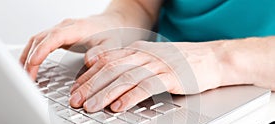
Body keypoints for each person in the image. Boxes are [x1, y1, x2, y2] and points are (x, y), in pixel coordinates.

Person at [20, 0, 275, 113]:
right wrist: (118, 21)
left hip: (261, 92)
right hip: (149, 68)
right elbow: (141, 4)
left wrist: (218, 59)